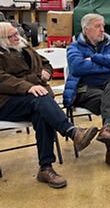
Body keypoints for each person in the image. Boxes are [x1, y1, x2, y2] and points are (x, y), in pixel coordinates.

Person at [0, 22, 98, 188]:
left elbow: (45, 63)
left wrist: (47, 72)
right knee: (40, 99)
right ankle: (72, 132)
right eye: (12, 36)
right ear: (2, 39)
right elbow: (3, 79)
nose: (17, 37)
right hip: (7, 102)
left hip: (34, 99)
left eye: (17, 33)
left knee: (41, 113)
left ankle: (46, 168)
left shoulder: (25, 48)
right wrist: (29, 86)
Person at [63, 13, 110, 171]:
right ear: (86, 29)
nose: (102, 29)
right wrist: (109, 65)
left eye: (103, 26)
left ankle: (108, 130)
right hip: (86, 90)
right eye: (98, 26)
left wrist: (94, 58)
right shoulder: (74, 47)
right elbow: (77, 67)